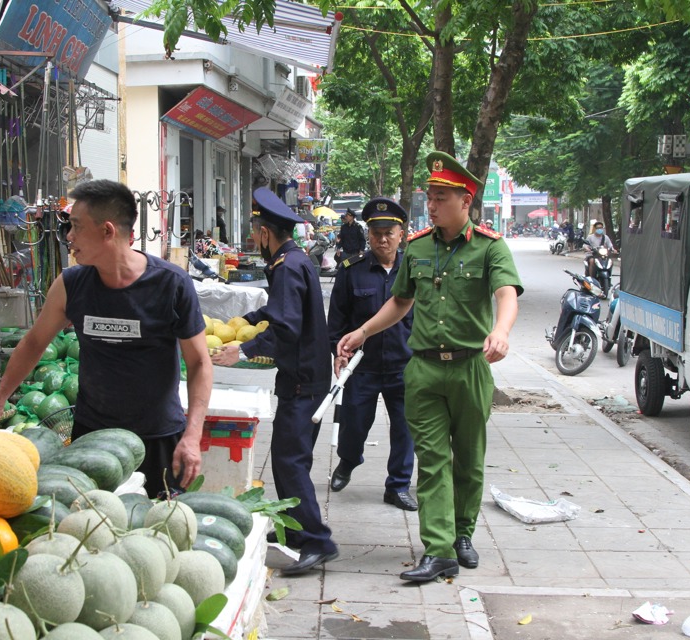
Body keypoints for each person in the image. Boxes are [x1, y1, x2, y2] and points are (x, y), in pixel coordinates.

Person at [337, 151, 522, 583]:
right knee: (433, 460)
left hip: (470, 368)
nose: (432, 205)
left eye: (441, 197)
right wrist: (362, 332)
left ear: (466, 201)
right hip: (422, 369)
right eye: (431, 196)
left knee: (469, 460)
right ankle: (438, 549)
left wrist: (502, 331)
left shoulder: (490, 247)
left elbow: (506, 292)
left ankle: (462, 534)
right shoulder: (417, 247)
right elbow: (400, 301)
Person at [0, 179, 212, 497]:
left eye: (76, 227)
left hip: (159, 438)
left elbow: (199, 363)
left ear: (107, 231)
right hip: (91, 437)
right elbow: (34, 343)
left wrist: (193, 435)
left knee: (160, 531)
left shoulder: (171, 284)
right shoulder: (71, 284)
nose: (69, 237)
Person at [211, 187, 338, 576]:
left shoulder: (286, 267)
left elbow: (285, 325)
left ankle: (317, 540)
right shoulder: (294, 261)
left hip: (303, 382)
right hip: (306, 378)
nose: (253, 241)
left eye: (254, 234)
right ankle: (294, 531)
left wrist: (243, 351)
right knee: (287, 460)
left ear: (265, 233)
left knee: (289, 460)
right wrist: (246, 323)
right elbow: (277, 310)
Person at [327, 198, 416, 511]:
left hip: (405, 365)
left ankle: (398, 485)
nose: (382, 239)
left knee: (405, 429)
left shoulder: (414, 271)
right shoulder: (352, 271)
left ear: (401, 234)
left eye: (389, 232)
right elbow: (336, 320)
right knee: (353, 424)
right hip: (361, 367)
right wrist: (337, 352)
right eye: (376, 232)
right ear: (368, 234)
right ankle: (348, 461)